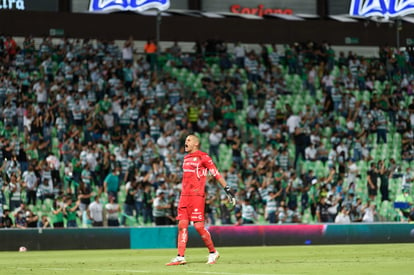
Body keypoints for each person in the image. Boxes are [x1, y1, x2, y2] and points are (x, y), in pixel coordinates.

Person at [166, 135, 236, 266]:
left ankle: (213, 252)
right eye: (185, 139)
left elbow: (215, 173)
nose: (185, 142)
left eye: (188, 140)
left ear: (196, 143)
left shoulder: (204, 157)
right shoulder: (185, 158)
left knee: (198, 226)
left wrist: (227, 188)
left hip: (197, 196)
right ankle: (180, 256)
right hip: (184, 196)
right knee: (182, 226)